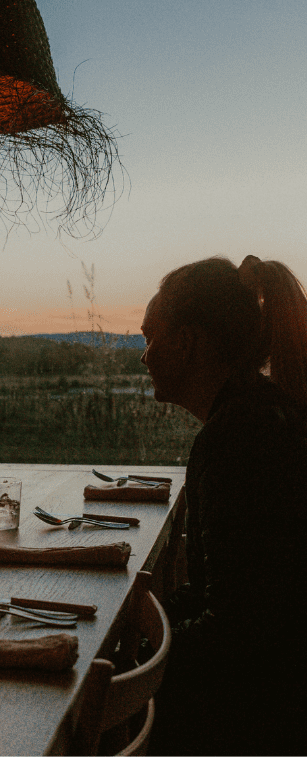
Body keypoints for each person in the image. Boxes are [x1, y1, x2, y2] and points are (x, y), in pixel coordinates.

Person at [142, 256, 307, 756]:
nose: (143, 356)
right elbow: (237, 593)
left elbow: (242, 631)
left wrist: (145, 652)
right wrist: (136, 617)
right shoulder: (260, 413)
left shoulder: (238, 438)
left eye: (150, 337)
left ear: (187, 342)